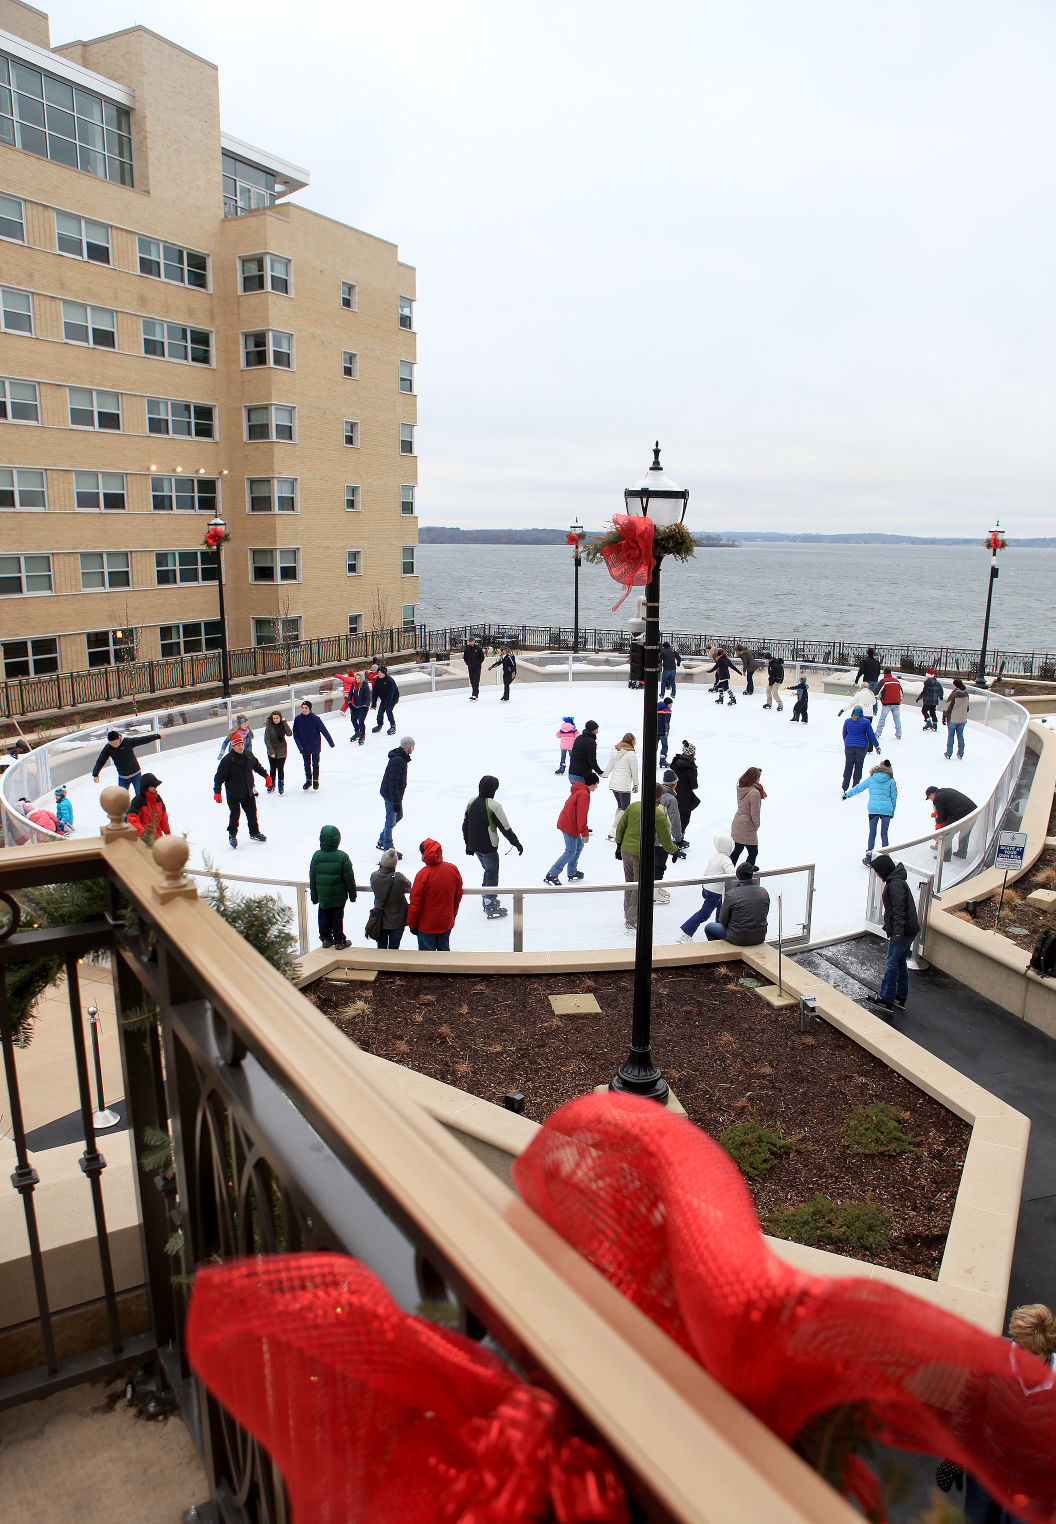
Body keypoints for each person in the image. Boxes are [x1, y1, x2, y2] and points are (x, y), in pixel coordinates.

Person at [614, 785, 676, 932]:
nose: (661, 799)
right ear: (657, 797)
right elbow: (665, 839)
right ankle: (632, 918)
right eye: (660, 796)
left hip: (626, 851)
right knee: (639, 886)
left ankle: (627, 913)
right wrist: (674, 850)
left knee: (629, 883)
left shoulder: (633, 806)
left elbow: (621, 827)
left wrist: (618, 845)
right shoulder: (657, 814)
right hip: (640, 854)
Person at [462, 774, 523, 919]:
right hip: (488, 847)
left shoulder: (471, 802)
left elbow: (465, 825)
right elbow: (505, 828)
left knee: (488, 871)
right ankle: (490, 903)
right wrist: (516, 843)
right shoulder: (494, 806)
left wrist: (468, 845)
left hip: (475, 847)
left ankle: (486, 898)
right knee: (492, 872)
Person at [865, 853, 920, 1013]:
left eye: (877, 871)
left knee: (892, 963)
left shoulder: (894, 885)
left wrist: (897, 933)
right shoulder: (896, 881)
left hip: (902, 932)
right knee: (900, 961)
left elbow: (899, 911)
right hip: (908, 930)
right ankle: (899, 995)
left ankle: (886, 997)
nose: (876, 874)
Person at [213, 733, 270, 848]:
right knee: (235, 815)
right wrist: (217, 792)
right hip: (233, 793)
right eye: (237, 745)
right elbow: (219, 777)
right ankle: (232, 835)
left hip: (248, 791)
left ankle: (254, 832)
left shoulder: (248, 755)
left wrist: (266, 776)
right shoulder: (228, 760)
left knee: (252, 813)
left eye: (242, 744)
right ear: (233, 747)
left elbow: (257, 766)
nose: (240, 747)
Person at [678, 833, 735, 941]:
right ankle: (686, 932)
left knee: (721, 911)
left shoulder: (715, 856)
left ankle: (719, 932)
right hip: (716, 891)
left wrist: (704, 886)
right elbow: (732, 872)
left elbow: (707, 872)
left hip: (710, 888)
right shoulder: (725, 859)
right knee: (704, 913)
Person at [408, 839, 463, 950]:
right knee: (443, 958)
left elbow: (415, 903)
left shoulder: (423, 874)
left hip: (426, 926)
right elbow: (457, 896)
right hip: (446, 922)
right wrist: (452, 915)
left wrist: (412, 924)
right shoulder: (452, 869)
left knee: (427, 960)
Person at [309, 825, 357, 950]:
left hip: (323, 896)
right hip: (339, 896)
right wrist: (352, 894)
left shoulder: (317, 856)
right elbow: (349, 879)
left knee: (323, 916)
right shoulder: (342, 857)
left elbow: (312, 879)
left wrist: (314, 897)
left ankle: (325, 939)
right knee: (337, 917)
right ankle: (339, 940)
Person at [844, 759, 897, 865]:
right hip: (886, 810)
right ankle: (885, 857)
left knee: (872, 832)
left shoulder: (872, 778)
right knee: (884, 833)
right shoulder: (891, 781)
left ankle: (869, 856)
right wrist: (892, 811)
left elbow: (859, 787)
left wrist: (847, 795)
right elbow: (894, 797)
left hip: (873, 809)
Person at [704, 861, 771, 945]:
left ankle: (720, 954)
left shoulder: (732, 894)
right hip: (760, 936)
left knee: (709, 927)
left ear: (737, 877)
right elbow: (764, 914)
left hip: (737, 938)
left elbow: (723, 920)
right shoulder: (763, 892)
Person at [544, 779, 596, 885]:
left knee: (579, 846)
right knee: (570, 851)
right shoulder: (584, 794)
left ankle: (572, 872)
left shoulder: (580, 790)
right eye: (597, 785)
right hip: (569, 825)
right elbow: (582, 815)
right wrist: (584, 832)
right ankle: (552, 874)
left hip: (569, 822)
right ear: (593, 784)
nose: (597, 787)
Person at [91, 728, 160, 799]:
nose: (114, 745)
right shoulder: (108, 748)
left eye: (115, 742)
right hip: (123, 777)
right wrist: (96, 774)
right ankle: (126, 810)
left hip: (136, 775)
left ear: (119, 738)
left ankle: (141, 809)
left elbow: (142, 740)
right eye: (112, 743)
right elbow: (101, 760)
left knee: (140, 796)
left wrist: (156, 736)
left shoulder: (127, 742)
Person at [369, 848, 411, 949]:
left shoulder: (374, 876)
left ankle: (381, 964)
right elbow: (408, 886)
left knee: (381, 948)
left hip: (380, 919)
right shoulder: (399, 878)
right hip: (397, 920)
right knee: (394, 948)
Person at [378, 737, 415, 853]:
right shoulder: (398, 760)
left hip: (395, 795)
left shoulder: (401, 759)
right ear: (408, 747)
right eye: (413, 746)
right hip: (391, 795)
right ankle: (388, 847)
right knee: (391, 820)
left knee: (398, 816)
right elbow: (392, 782)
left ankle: (382, 839)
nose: (413, 748)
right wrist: (396, 801)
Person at [654, 771, 684, 903]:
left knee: (654, 864)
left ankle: (656, 888)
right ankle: (654, 892)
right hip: (661, 837)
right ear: (674, 784)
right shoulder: (671, 799)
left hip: (650, 835)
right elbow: (674, 820)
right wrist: (678, 838)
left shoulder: (655, 792)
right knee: (660, 865)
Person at [925, 784, 977, 859]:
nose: (931, 800)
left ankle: (945, 856)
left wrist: (937, 819)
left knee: (947, 834)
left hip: (962, 814)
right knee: (964, 833)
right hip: (973, 811)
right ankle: (962, 853)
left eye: (930, 798)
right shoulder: (945, 791)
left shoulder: (938, 799)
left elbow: (942, 818)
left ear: (932, 794)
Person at [602, 732, 638, 836]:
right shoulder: (631, 754)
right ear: (632, 741)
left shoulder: (615, 751)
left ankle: (617, 828)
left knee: (620, 806)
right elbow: (634, 771)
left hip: (614, 783)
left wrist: (604, 774)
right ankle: (614, 830)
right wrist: (636, 784)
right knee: (625, 808)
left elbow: (610, 765)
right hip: (624, 784)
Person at [292, 700, 334, 789]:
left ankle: (315, 781)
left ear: (310, 708)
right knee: (306, 764)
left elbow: (324, 730)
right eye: (303, 708)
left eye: (306, 708)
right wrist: (299, 745)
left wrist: (331, 743)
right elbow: (295, 734)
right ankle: (308, 780)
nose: (304, 710)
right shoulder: (298, 719)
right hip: (304, 746)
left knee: (315, 764)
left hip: (315, 745)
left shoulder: (315, 719)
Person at [730, 766, 764, 868]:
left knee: (737, 850)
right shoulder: (754, 792)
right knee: (753, 852)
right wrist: (756, 826)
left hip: (738, 823)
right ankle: (746, 875)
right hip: (747, 826)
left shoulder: (741, 787)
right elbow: (755, 813)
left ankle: (728, 872)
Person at [841, 706, 880, 791]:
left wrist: (847, 742)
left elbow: (844, 733)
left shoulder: (847, 721)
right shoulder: (866, 722)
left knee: (848, 766)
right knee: (858, 766)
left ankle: (845, 786)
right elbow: (871, 735)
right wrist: (876, 746)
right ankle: (856, 786)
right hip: (862, 747)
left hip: (849, 747)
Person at [669, 742, 699, 841]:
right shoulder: (690, 768)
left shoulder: (675, 763)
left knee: (673, 816)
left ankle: (675, 836)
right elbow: (694, 785)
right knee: (684, 818)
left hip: (673, 793)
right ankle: (678, 837)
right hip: (685, 797)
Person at [127, 774, 170, 842]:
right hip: (143, 840)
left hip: (157, 839)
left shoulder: (158, 799)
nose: (155, 787)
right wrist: (143, 834)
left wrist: (168, 833)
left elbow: (163, 818)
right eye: (153, 785)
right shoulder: (138, 801)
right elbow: (132, 818)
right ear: (146, 787)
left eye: (156, 785)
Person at [264, 711, 292, 795]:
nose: (275, 720)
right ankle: (271, 784)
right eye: (274, 718)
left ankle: (281, 785)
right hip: (272, 750)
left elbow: (289, 733)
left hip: (282, 750)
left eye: (277, 718)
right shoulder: (269, 726)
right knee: (272, 768)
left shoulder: (283, 724)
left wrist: (284, 722)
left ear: (280, 718)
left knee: (280, 768)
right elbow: (267, 740)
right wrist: (271, 751)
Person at [943, 678, 971, 759]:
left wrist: (944, 716)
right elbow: (967, 708)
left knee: (951, 736)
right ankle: (961, 753)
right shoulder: (966, 694)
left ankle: (949, 752)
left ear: (955, 685)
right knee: (960, 735)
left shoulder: (953, 695)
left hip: (952, 719)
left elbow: (947, 707)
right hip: (962, 719)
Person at [342, 671, 371, 746]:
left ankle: (362, 735)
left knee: (361, 721)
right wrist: (349, 702)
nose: (357, 679)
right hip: (355, 706)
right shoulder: (354, 684)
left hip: (363, 706)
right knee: (353, 720)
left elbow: (368, 696)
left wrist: (367, 705)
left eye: (359, 678)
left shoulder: (365, 685)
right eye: (356, 678)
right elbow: (350, 693)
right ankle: (357, 732)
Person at [568, 720, 601, 785]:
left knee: (577, 794)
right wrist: (599, 772)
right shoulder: (590, 741)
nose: (597, 731)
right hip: (581, 775)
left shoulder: (578, 738)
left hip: (572, 773)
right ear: (593, 729)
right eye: (597, 729)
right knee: (583, 794)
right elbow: (592, 760)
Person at [875, 669, 903, 741]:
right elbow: (901, 693)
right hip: (896, 703)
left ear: (884, 673)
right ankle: (899, 733)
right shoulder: (897, 681)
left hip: (887, 703)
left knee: (882, 718)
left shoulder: (883, 681)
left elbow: (876, 692)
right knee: (897, 718)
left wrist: (875, 697)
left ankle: (878, 733)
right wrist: (899, 700)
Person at [371, 666, 400, 735]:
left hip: (393, 698)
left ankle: (393, 726)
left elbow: (391, 693)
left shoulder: (390, 680)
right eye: (378, 672)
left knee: (388, 710)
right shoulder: (377, 680)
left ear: (384, 673)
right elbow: (375, 692)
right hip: (384, 698)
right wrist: (374, 703)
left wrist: (387, 704)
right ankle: (379, 725)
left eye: (381, 673)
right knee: (380, 712)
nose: (379, 674)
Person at [854, 647, 883, 712]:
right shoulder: (877, 662)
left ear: (867, 653)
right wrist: (875, 678)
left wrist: (857, 679)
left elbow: (861, 671)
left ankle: (864, 709)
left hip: (867, 681)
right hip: (874, 681)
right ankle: (874, 710)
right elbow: (878, 672)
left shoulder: (865, 661)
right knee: (873, 696)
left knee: (864, 695)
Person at [656, 695, 674, 761]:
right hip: (663, 731)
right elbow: (667, 722)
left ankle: (651, 759)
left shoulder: (657, 708)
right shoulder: (667, 711)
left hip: (656, 730)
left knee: (655, 746)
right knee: (664, 746)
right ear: (668, 704)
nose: (671, 706)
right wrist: (667, 731)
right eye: (671, 704)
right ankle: (662, 760)